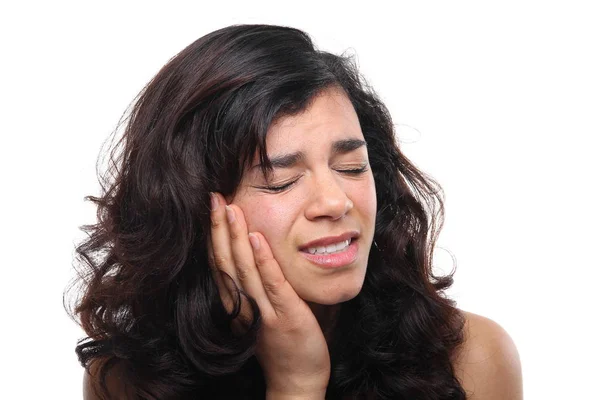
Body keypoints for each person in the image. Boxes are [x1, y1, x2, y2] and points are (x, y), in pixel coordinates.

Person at [68, 24, 522, 399]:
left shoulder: (471, 359)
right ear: (193, 207)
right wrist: (296, 384)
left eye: (351, 166)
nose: (335, 202)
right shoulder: (124, 381)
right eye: (280, 180)